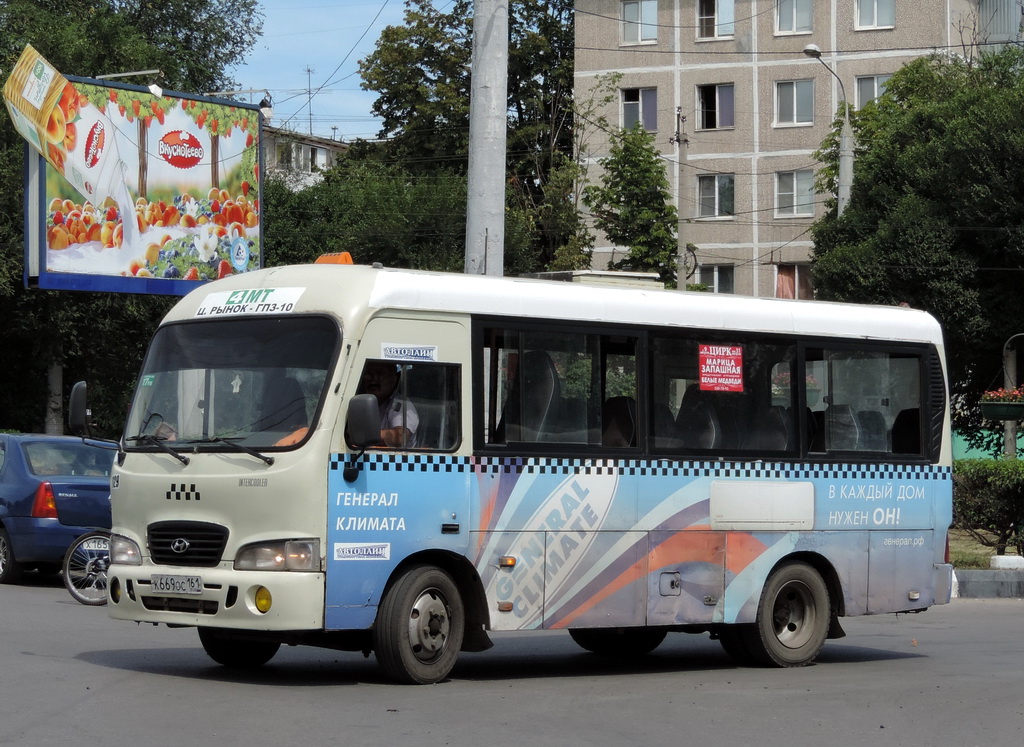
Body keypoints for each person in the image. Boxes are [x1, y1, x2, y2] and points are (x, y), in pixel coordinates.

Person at [358, 360, 419, 447]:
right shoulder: (365, 402)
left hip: (397, 460)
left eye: (379, 373)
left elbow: (400, 437)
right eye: (369, 373)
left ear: (393, 378)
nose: (372, 379)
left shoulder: (402, 405)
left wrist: (362, 435)